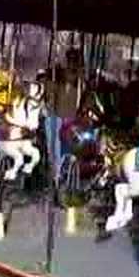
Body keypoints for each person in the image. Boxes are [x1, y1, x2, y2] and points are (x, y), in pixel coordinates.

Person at [45, 48, 83, 183]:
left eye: (75, 61)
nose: (72, 63)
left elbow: (85, 95)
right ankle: (55, 171)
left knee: (69, 144)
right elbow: (49, 90)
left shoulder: (79, 78)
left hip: (71, 116)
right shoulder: (59, 74)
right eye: (70, 60)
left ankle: (63, 170)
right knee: (55, 144)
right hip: (56, 115)